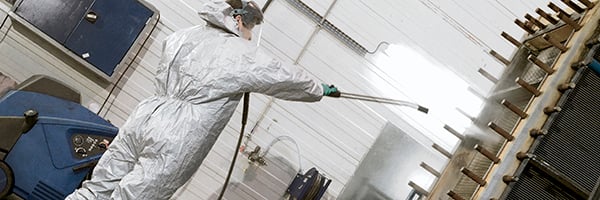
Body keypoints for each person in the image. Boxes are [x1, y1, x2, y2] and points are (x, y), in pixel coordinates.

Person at [66, 0, 339, 199]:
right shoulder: (240, 53)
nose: (251, 35)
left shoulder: (182, 36)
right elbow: (282, 75)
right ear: (238, 18)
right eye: (251, 26)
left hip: (145, 115)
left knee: (95, 189)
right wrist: (319, 89)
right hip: (177, 135)